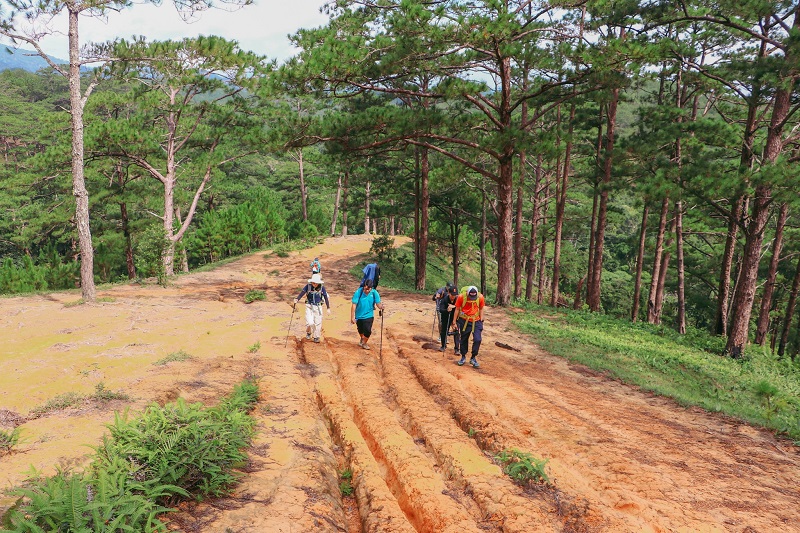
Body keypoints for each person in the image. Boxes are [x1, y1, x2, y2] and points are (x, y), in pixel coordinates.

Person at [451, 285, 485, 368]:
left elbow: (481, 308)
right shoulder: (461, 297)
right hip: (464, 320)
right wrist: (454, 322)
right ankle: (463, 356)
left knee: (478, 339)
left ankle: (473, 357)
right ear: (467, 293)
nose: (471, 298)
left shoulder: (480, 297)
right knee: (464, 339)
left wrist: (481, 318)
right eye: (470, 296)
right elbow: (457, 309)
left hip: (476, 320)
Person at [293, 273, 331, 343]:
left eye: (315, 283)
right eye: (313, 282)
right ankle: (309, 332)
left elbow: (325, 297)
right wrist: (297, 299)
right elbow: (302, 293)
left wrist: (328, 308)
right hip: (309, 306)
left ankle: (316, 337)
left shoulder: (322, 288)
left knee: (318, 322)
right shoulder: (308, 286)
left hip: (318, 307)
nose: (314, 284)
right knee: (310, 322)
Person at [350, 279, 384, 350]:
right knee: (360, 329)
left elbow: (378, 304)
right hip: (359, 315)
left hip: (369, 315)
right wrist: (352, 317)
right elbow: (354, 305)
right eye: (365, 289)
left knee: (368, 330)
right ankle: (362, 339)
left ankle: (364, 343)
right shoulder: (358, 292)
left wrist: (381, 307)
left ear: (371, 288)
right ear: (364, 286)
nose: (366, 291)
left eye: (368, 289)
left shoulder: (374, 293)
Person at [433, 282, 460, 353]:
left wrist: (454, 307)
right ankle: (443, 345)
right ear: (449, 293)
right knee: (443, 331)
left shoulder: (458, 300)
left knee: (456, 331)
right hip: (445, 317)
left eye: (455, 295)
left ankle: (457, 349)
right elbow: (441, 309)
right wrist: (447, 310)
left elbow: (460, 309)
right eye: (452, 295)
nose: (453, 296)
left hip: (455, 317)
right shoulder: (445, 299)